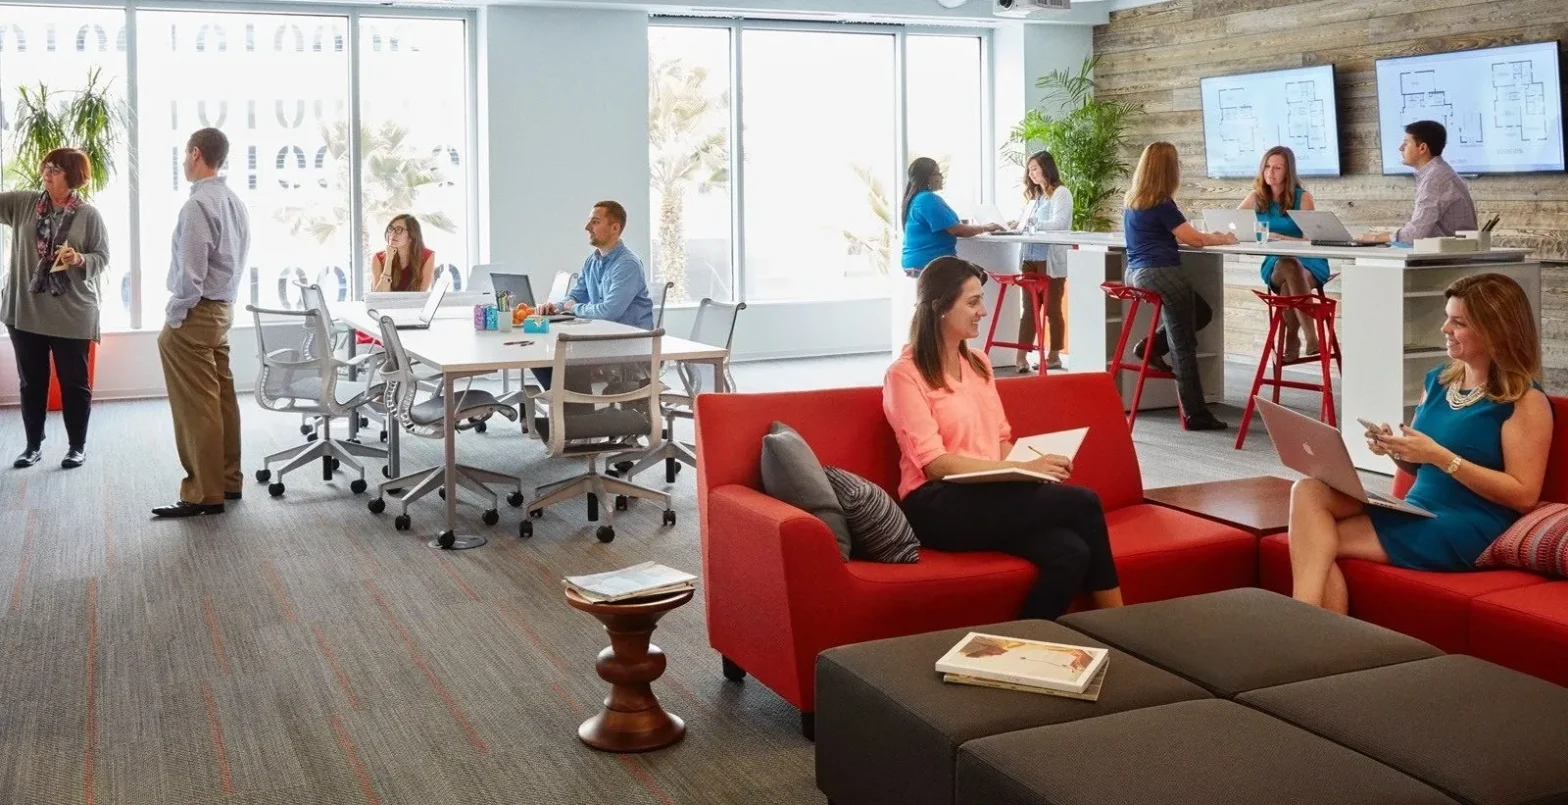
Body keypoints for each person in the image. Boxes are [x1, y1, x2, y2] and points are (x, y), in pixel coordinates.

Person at [1287, 273, 1551, 614]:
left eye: (1458, 322)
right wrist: (1396, 450)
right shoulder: (1438, 380)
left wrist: (1441, 457)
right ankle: (1310, 630)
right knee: (1309, 491)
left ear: (1495, 331)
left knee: (1318, 543)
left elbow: (1524, 495)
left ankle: (1298, 622)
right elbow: (1418, 464)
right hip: (1416, 509)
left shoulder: (1524, 400)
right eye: (1447, 317)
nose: (1445, 328)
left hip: (1468, 526)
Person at [883, 256, 1123, 620]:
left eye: (982, 300)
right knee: (1084, 503)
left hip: (988, 495)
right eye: (973, 302)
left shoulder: (979, 363)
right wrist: (1020, 470)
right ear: (941, 307)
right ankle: (1120, 623)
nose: (983, 311)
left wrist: (1032, 466)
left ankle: (1021, 641)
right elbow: (935, 465)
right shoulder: (905, 374)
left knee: (1071, 552)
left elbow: (1000, 440)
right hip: (936, 505)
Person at [153, 128, 252, 519]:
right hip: (222, 311)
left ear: (196, 153)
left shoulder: (197, 205)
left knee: (198, 406)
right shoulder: (234, 202)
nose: (183, 161)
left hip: (197, 314)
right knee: (222, 399)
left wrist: (175, 314)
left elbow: (190, 274)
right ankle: (228, 481)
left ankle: (203, 493)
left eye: (184, 154)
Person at [0, 148, 110, 469]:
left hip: (72, 312)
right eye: (46, 167)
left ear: (73, 176)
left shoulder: (88, 215)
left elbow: (102, 256)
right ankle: (32, 446)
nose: (47, 173)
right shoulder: (24, 203)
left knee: (74, 383)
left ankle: (76, 447)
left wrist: (80, 259)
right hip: (26, 310)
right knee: (31, 382)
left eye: (56, 169)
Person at [1121, 142, 1237, 431]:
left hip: (1135, 273)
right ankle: (1196, 414)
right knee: (1183, 344)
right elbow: (1193, 239)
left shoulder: (1133, 200)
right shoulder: (1162, 204)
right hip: (1160, 273)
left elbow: (1173, 236)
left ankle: (1150, 346)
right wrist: (1222, 238)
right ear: (1169, 171)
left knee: (1201, 312)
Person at [534, 200, 654, 399]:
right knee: (540, 354)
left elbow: (609, 312)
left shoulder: (627, 264)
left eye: (595, 222)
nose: (587, 227)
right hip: (603, 338)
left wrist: (575, 308)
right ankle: (572, 410)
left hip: (628, 345)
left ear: (615, 228)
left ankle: (576, 410)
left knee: (561, 357)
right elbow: (576, 295)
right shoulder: (592, 260)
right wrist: (555, 307)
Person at [1238, 145, 1331, 360]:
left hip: (1309, 262)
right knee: (1288, 265)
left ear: (1288, 172)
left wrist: (1280, 238)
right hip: (1275, 263)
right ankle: (1311, 336)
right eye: (1267, 167)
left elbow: (1311, 238)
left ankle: (1292, 336)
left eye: (1277, 168)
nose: (1270, 172)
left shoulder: (1302, 197)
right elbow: (1235, 225)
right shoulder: (1255, 197)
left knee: (1291, 273)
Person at [1359, 120, 1477, 245]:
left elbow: (1415, 235)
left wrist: (1375, 238)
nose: (1401, 148)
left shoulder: (1435, 178)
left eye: (1406, 143)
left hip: (1447, 255)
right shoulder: (1437, 172)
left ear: (1422, 148)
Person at [1014, 151, 1074, 372]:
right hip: (1029, 258)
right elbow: (1027, 224)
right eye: (1029, 170)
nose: (1031, 174)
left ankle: (1054, 355)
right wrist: (1017, 224)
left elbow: (1060, 223)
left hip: (1049, 260)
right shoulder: (1035, 197)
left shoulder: (1061, 193)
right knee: (1029, 310)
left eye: (1035, 169)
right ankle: (1021, 357)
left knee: (1052, 309)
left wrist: (1032, 224)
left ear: (1046, 169)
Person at [899, 157, 1001, 276]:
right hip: (929, 261)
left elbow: (949, 226)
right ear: (928, 178)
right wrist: (987, 227)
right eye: (938, 173)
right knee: (980, 275)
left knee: (977, 273)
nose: (941, 176)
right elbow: (957, 230)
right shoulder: (927, 199)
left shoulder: (916, 199)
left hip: (920, 260)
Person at [370, 214, 434, 292]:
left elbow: (421, 294)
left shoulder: (427, 256)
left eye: (398, 229)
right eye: (391, 229)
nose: (392, 233)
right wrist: (389, 259)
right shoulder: (378, 258)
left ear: (411, 235)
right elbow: (379, 295)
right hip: (387, 301)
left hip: (414, 300)